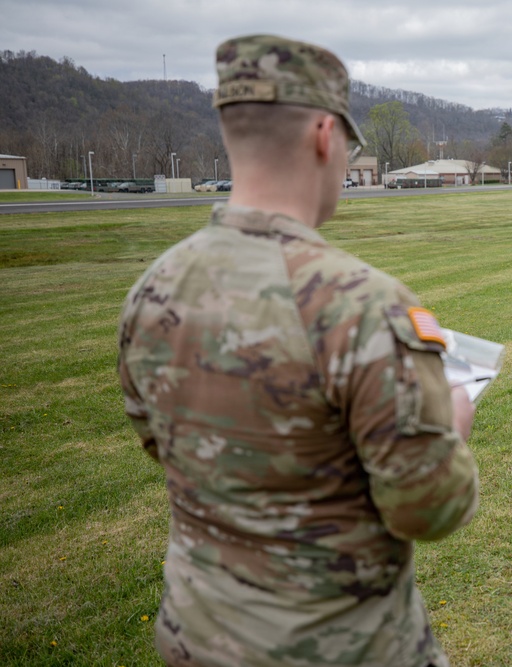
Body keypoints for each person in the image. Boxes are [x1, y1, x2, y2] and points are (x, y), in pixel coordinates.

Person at [117, 34, 479, 667]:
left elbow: (160, 441)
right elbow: (429, 507)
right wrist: (453, 421)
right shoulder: (361, 304)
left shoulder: (155, 286)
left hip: (197, 636)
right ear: (323, 135)